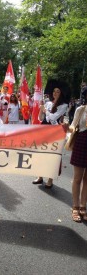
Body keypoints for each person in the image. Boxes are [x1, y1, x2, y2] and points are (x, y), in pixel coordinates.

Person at [32, 80, 70, 188]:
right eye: (54, 91)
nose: (55, 93)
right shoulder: (48, 103)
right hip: (44, 129)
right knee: (41, 153)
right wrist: (41, 108)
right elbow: (40, 118)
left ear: (61, 93)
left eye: (57, 92)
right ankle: (40, 176)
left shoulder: (64, 105)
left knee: (52, 155)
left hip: (55, 132)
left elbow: (53, 117)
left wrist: (45, 111)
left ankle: (50, 179)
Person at [68, 87, 87, 222]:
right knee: (77, 178)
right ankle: (75, 206)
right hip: (82, 142)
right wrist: (71, 128)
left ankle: (83, 206)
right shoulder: (81, 109)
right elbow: (72, 125)